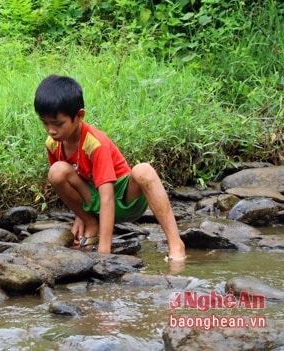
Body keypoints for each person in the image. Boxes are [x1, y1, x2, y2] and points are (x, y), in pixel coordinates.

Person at [33, 75, 186, 270]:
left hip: (122, 199)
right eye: (45, 123)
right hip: (93, 201)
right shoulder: (53, 144)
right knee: (56, 171)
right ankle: (91, 224)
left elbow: (107, 198)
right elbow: (71, 181)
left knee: (144, 170)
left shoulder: (96, 144)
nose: (51, 130)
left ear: (79, 116)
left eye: (58, 124)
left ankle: (176, 244)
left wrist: (104, 252)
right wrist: (80, 216)